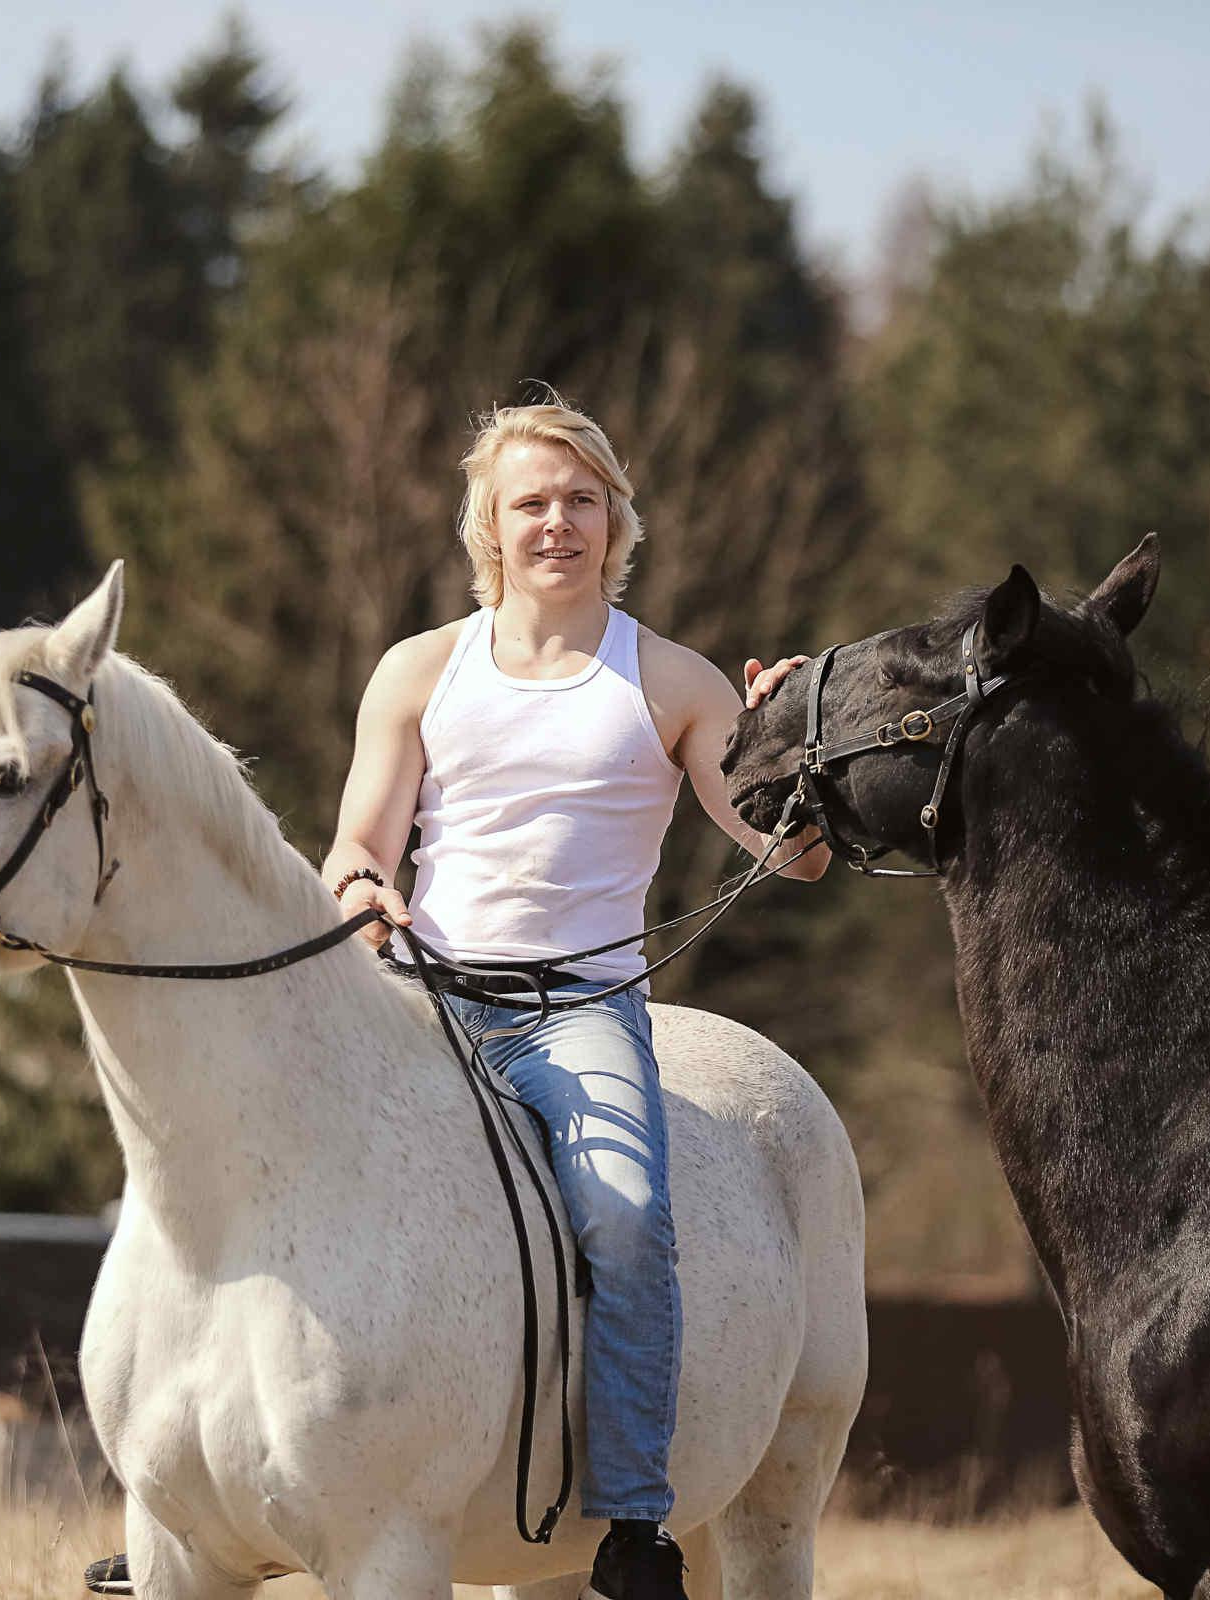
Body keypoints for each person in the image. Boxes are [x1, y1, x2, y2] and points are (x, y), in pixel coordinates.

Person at [320, 399, 826, 1600]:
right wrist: (361, 894)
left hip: (578, 1016)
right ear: (489, 527)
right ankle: (194, 1494)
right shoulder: (419, 670)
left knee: (624, 1215)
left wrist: (793, 739)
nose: (559, 522)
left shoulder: (672, 680)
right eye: (531, 502)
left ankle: (636, 1527)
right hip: (416, 1002)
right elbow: (354, 844)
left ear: (615, 519)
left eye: (581, 499)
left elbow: (791, 853)